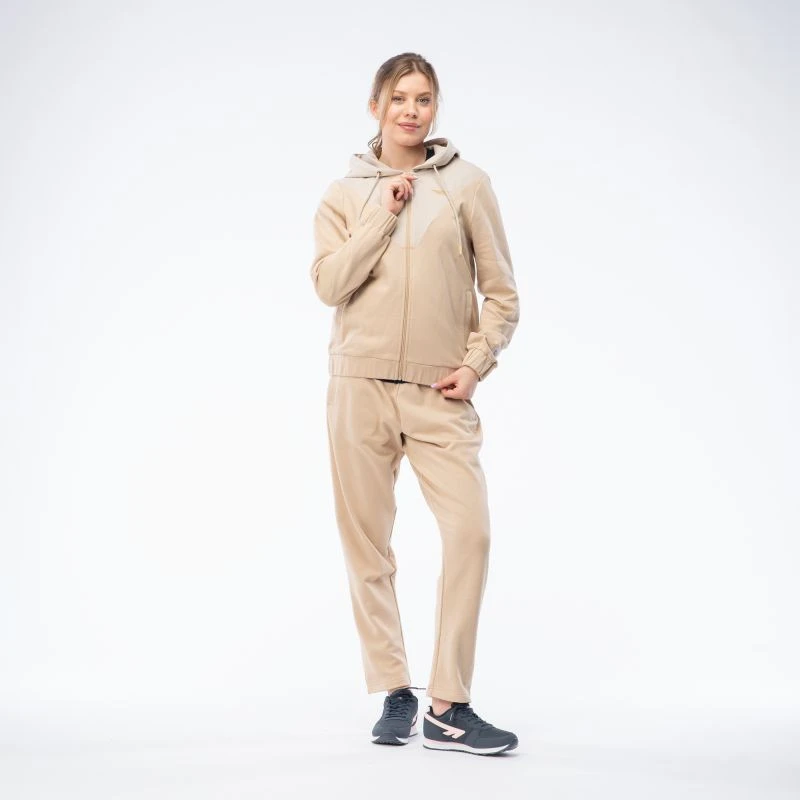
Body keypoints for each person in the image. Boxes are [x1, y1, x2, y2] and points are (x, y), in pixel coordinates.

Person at [310, 52, 521, 756]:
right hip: (358, 387)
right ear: (375, 106)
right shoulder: (344, 193)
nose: (411, 110)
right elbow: (329, 286)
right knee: (367, 544)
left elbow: (502, 294)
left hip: (439, 392)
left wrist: (476, 363)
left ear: (435, 108)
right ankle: (395, 689)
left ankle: (449, 704)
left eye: (423, 98)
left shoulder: (468, 185)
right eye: (398, 98)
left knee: (470, 533)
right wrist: (382, 213)